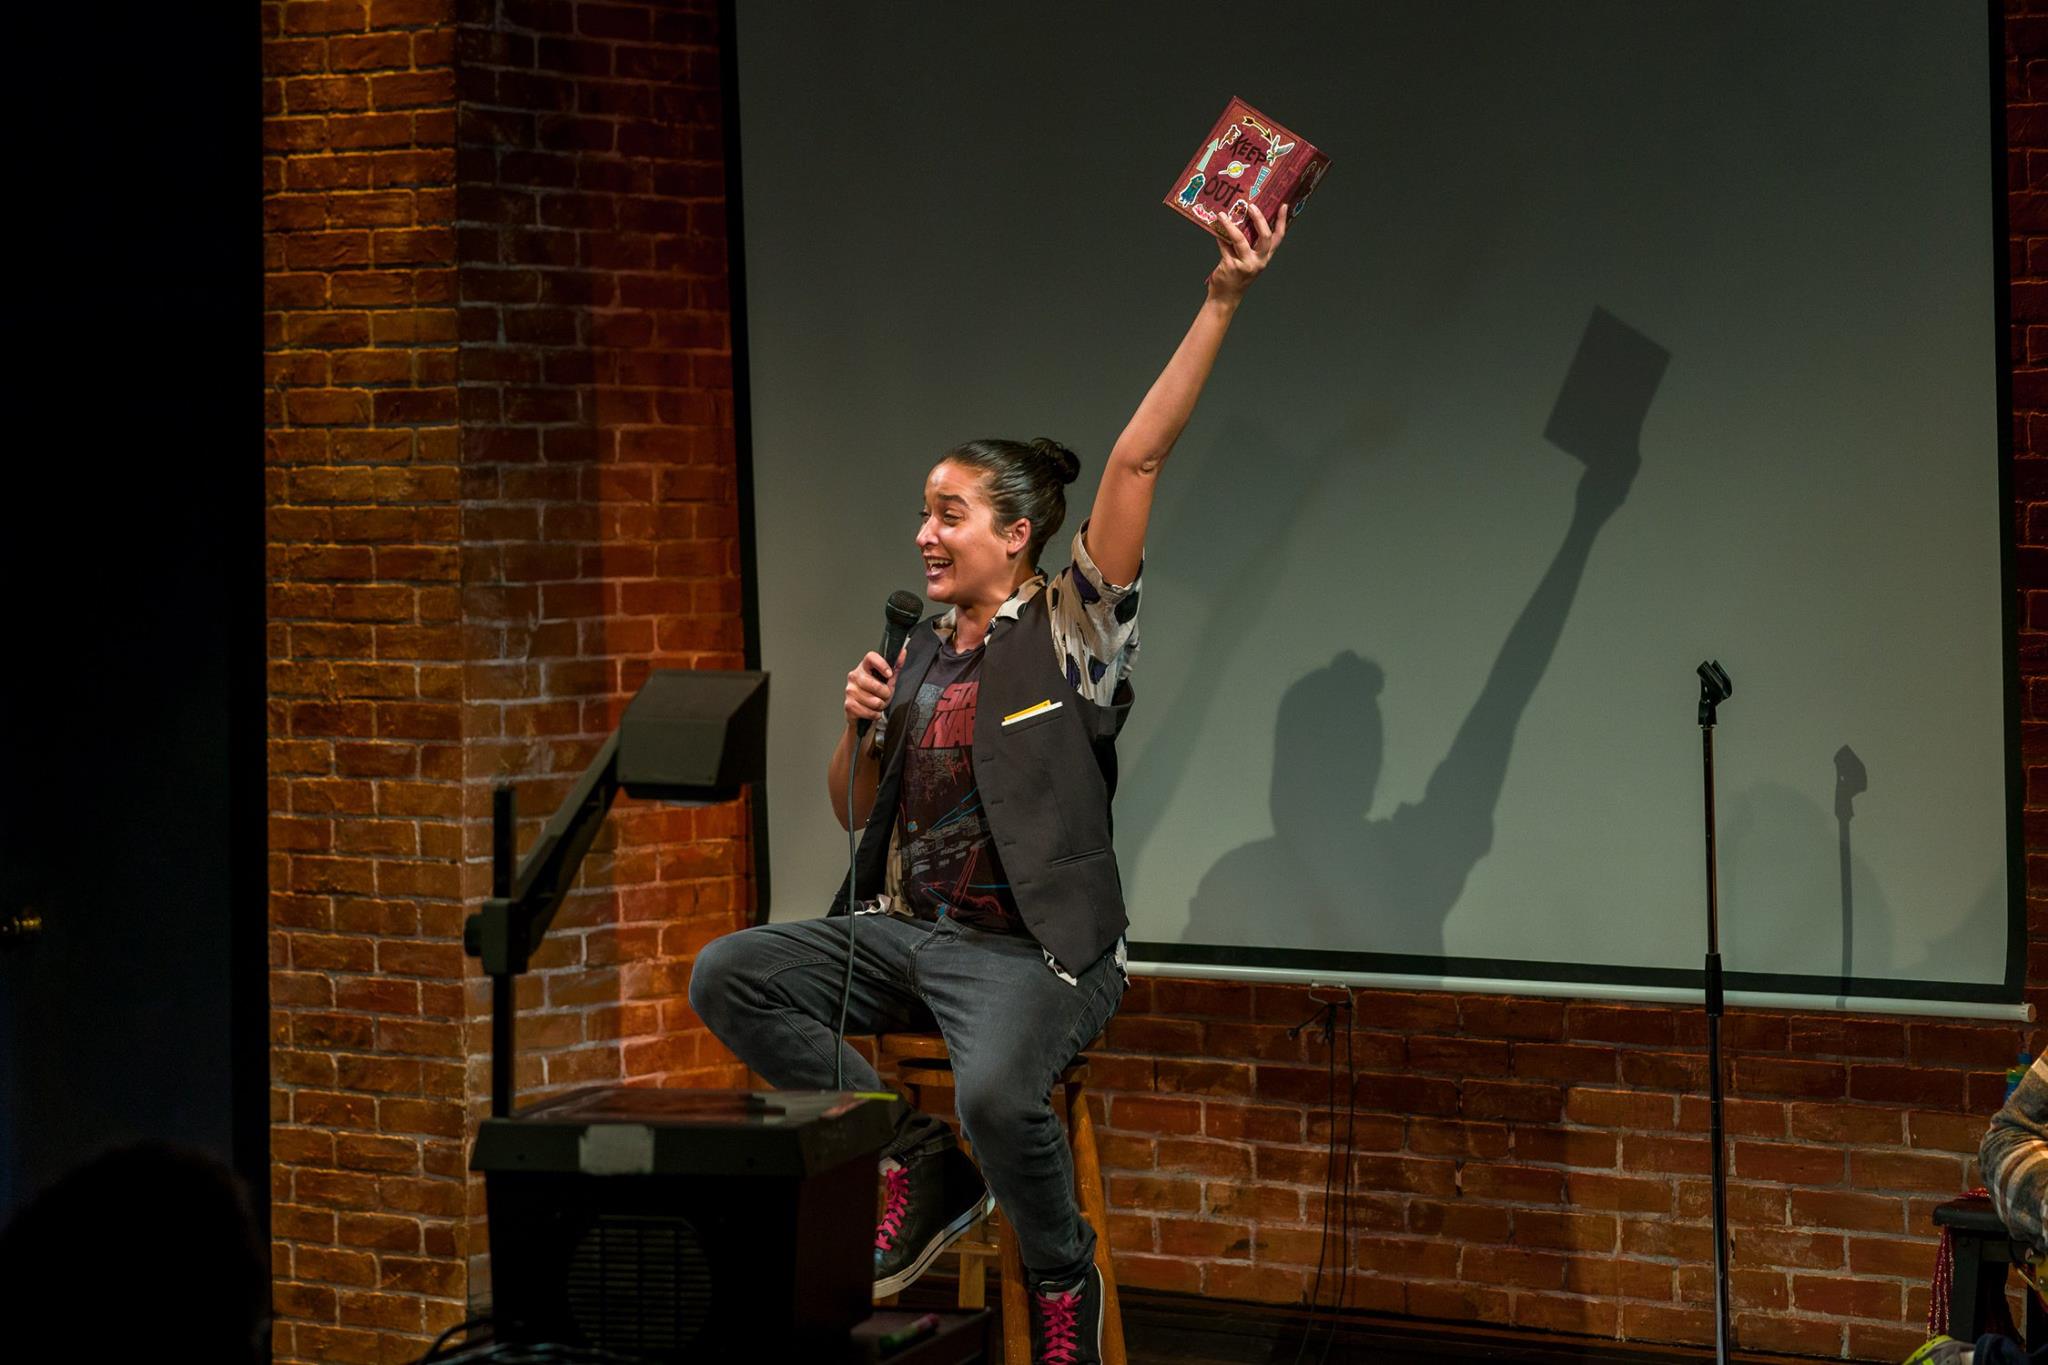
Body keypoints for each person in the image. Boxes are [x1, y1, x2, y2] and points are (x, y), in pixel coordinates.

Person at [689, 201, 1290, 1363]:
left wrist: (1221, 297)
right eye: (922, 512)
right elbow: (857, 814)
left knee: (996, 1098)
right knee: (732, 977)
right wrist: (855, 726)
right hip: (912, 934)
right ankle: (905, 1155)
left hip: (1032, 953)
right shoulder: (918, 646)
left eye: (947, 513)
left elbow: (1136, 458)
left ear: (1016, 536)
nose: (924, 533)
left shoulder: (1069, 632)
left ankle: (1064, 1279)